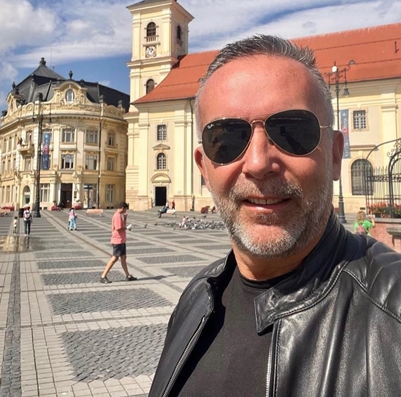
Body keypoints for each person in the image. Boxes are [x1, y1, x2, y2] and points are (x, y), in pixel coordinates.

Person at [148, 35, 401, 397]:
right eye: (226, 138)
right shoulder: (195, 298)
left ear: (334, 155)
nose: (258, 163)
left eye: (292, 132)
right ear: (204, 168)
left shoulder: (393, 311)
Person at [100, 202, 137, 284]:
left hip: (121, 240)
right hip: (118, 240)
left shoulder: (120, 215)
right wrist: (127, 227)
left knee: (123, 257)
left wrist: (125, 219)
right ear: (122, 208)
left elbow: (122, 226)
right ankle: (103, 276)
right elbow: (118, 228)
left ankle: (128, 276)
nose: (126, 210)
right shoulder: (117, 216)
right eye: (125, 209)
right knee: (115, 258)